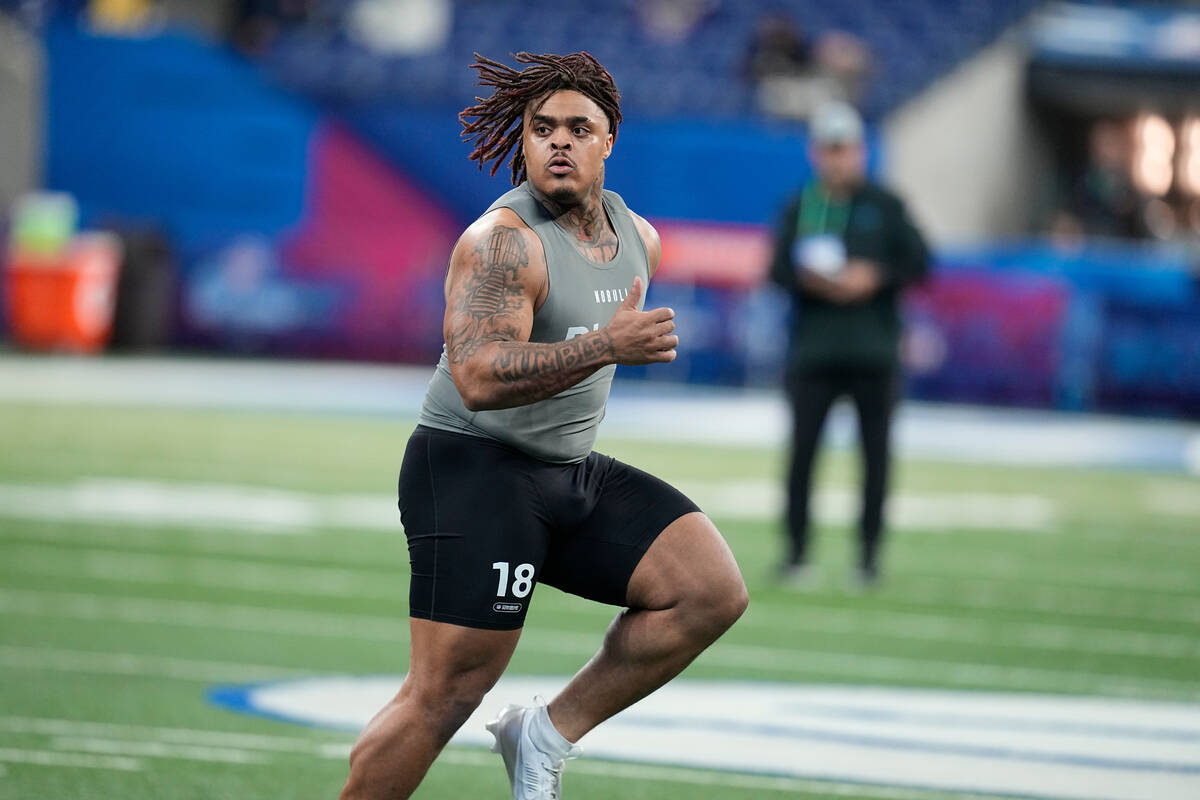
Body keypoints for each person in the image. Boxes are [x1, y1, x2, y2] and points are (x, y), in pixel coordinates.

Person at [338, 51, 748, 800]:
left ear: (609, 140)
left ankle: (544, 734)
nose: (558, 141)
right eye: (542, 128)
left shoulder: (640, 239)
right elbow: (479, 376)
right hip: (472, 469)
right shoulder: (501, 242)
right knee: (443, 695)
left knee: (708, 590)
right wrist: (606, 346)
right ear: (523, 142)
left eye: (577, 128)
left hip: (566, 468)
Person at [767, 101, 929, 588]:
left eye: (846, 148)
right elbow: (775, 270)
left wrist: (873, 276)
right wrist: (810, 280)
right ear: (817, 153)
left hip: (873, 354)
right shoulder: (802, 204)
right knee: (802, 455)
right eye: (829, 149)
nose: (838, 158)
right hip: (814, 353)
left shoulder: (885, 204)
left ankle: (868, 556)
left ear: (860, 150)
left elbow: (921, 262)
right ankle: (796, 553)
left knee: (875, 458)